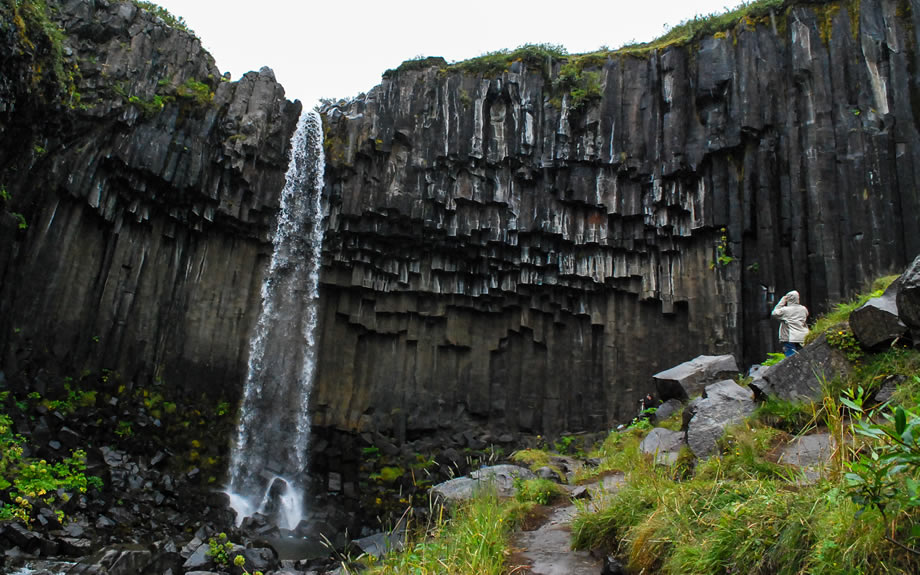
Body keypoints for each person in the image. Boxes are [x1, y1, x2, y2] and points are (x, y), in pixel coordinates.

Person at [771, 289, 809, 356]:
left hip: (790, 336)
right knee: (801, 355)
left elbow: (774, 313)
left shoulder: (785, 310)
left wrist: (782, 302)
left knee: (790, 356)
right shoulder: (803, 309)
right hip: (802, 336)